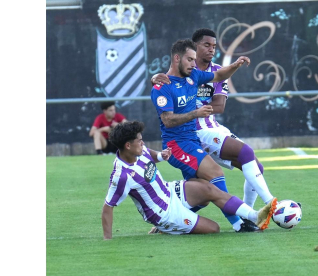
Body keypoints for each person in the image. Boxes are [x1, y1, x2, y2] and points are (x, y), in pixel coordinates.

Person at [150, 39, 277, 232]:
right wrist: (195, 113)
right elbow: (167, 120)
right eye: (190, 59)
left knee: (201, 194)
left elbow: (218, 75)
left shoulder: (193, 77)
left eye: (194, 60)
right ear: (177, 58)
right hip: (177, 145)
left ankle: (165, 221)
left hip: (191, 140)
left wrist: (235, 66)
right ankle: (242, 221)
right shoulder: (162, 86)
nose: (194, 64)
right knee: (216, 173)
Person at [101, 121, 277, 239]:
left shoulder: (139, 150)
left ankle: (254, 216)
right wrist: (107, 240)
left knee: (208, 188)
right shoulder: (121, 175)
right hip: (165, 213)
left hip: (169, 191)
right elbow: (108, 207)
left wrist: (161, 156)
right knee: (213, 228)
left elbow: (151, 155)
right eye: (139, 141)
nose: (143, 143)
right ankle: (168, 227)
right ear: (128, 146)